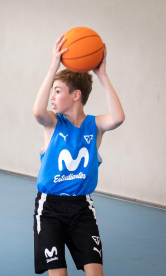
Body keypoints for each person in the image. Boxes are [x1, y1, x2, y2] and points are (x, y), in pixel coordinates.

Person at [32, 35, 125, 276]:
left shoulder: (95, 125)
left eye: (58, 90)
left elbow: (118, 118)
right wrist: (54, 67)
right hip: (50, 207)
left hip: (81, 207)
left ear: (76, 95)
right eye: (52, 91)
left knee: (96, 273)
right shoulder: (52, 124)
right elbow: (37, 111)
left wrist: (102, 76)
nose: (52, 96)